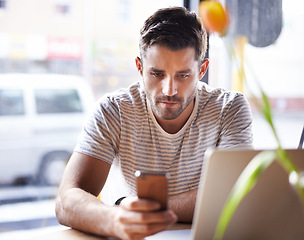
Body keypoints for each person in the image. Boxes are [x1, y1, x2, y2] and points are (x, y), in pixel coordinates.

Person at [55, 6, 253, 240]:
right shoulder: (114, 109)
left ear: (201, 69)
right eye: (157, 74)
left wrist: (137, 206)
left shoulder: (230, 109)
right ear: (140, 67)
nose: (169, 90)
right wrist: (114, 219)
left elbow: (235, 198)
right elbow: (66, 200)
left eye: (183, 75)